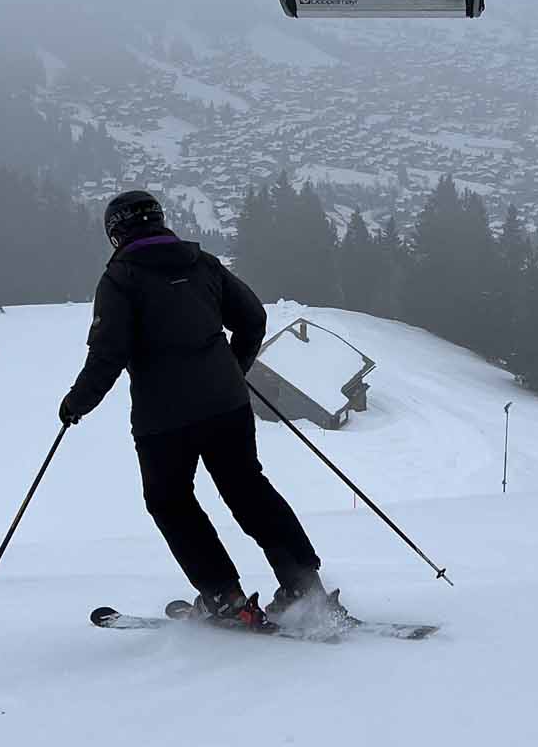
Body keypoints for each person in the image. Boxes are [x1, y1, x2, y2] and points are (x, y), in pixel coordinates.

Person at [59, 189, 335, 631]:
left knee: (171, 502)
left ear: (116, 234)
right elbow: (252, 320)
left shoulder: (120, 279)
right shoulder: (202, 264)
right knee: (248, 489)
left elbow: (107, 354)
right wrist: (232, 368)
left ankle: (226, 597)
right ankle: (305, 586)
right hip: (227, 405)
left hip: (163, 420)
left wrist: (77, 404)